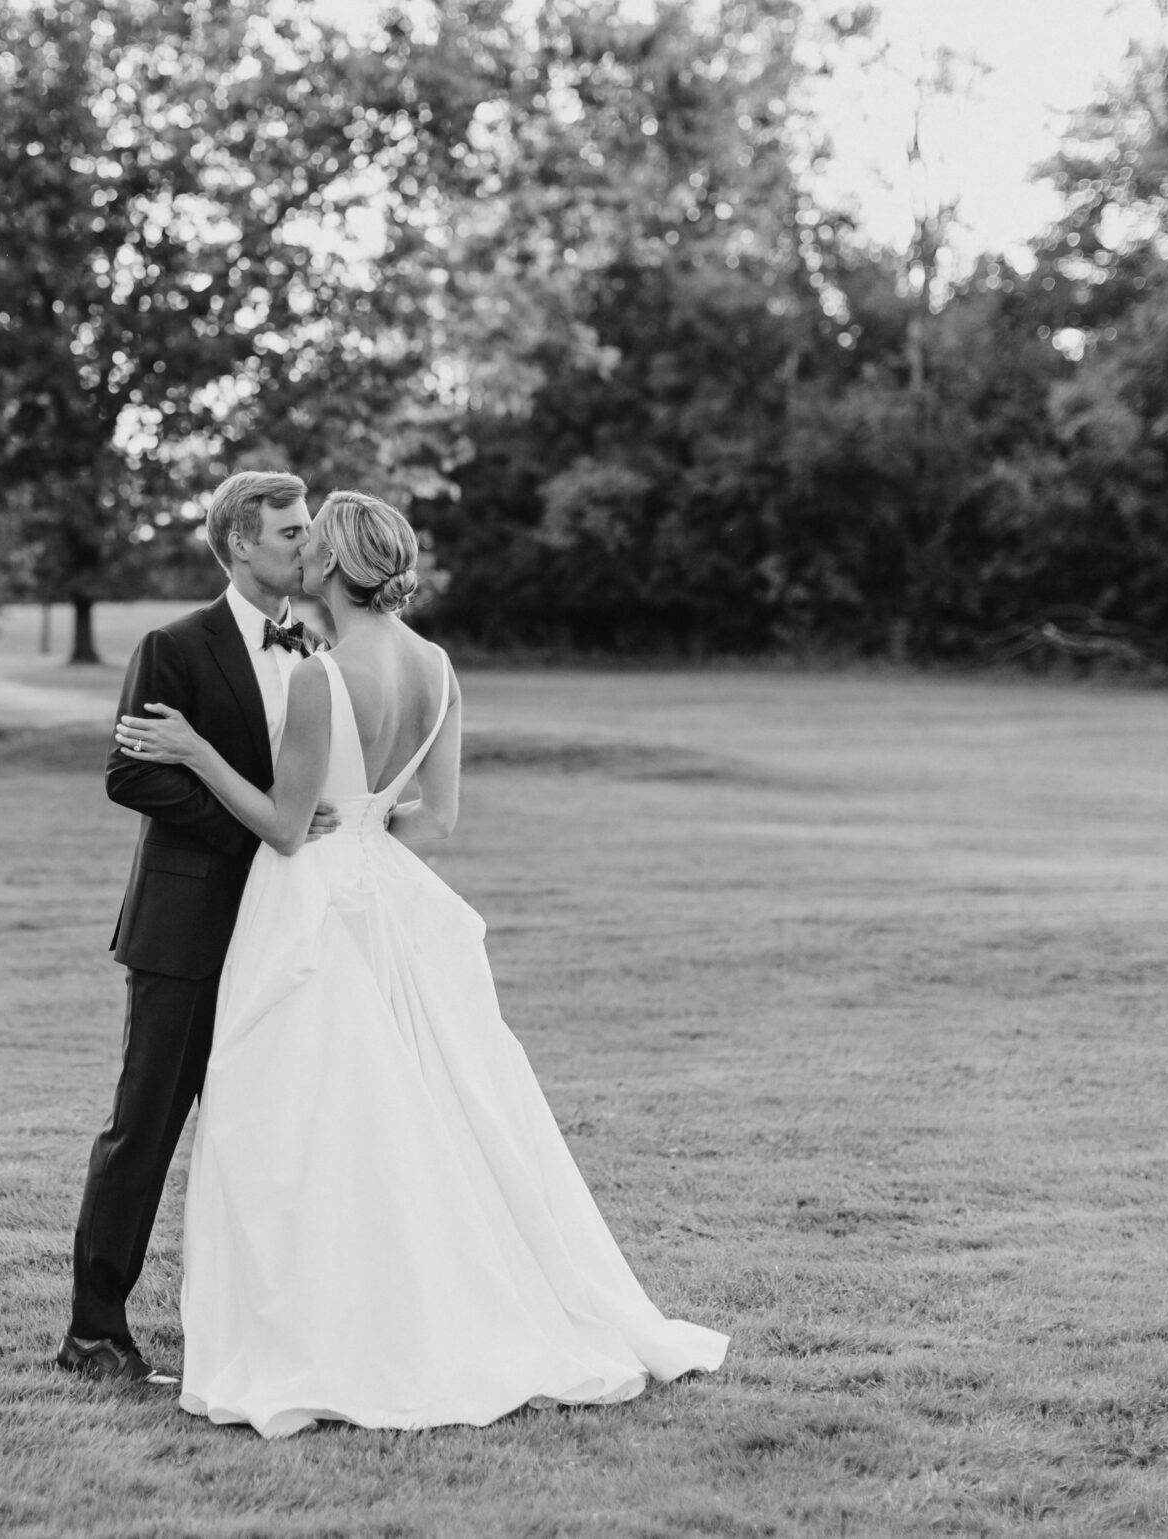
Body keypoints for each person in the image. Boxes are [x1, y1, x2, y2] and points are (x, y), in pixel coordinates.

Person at [114, 490, 728, 1437]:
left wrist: (196, 749)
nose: (301, 555)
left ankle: (347, 1324)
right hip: (390, 897)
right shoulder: (438, 667)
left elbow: (283, 825)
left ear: (329, 569)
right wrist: (366, 821)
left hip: (313, 904)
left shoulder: (321, 674)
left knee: (304, 1124)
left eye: (310, 545)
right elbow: (436, 818)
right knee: (425, 1110)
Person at [59, 470, 339, 1384]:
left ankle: (256, 1329)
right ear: (241, 545)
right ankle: (95, 1332)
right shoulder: (173, 645)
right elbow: (130, 774)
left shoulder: (321, 647)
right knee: (144, 1130)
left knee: (270, 1132)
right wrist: (261, 830)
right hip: (185, 930)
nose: (309, 543)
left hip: (287, 933)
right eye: (292, 532)